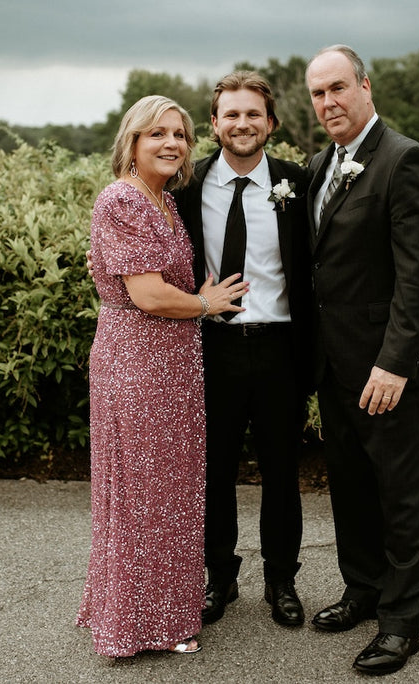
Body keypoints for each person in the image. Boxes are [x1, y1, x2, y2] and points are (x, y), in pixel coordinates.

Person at [75, 95, 249, 658]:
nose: (172, 143)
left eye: (180, 134)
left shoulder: (166, 202)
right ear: (131, 141)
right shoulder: (123, 200)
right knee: (143, 492)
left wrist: (196, 301)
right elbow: (146, 294)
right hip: (136, 362)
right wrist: (207, 304)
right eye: (157, 134)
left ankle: (166, 612)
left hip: (172, 363)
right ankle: (137, 623)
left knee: (171, 492)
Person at [303, 45, 419, 676]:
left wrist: (394, 364)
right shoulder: (318, 165)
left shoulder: (404, 160)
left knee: (404, 496)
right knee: (354, 490)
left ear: (365, 86)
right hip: (335, 368)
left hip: (392, 371)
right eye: (317, 94)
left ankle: (401, 623)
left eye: (338, 88)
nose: (329, 103)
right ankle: (362, 591)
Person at [173, 71, 313, 628]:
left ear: (271, 123)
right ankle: (219, 580)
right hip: (213, 347)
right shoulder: (186, 188)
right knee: (214, 471)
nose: (242, 124)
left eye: (253, 114)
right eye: (231, 114)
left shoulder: (297, 183)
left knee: (283, 472)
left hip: (280, 347)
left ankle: (281, 580)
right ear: (214, 124)